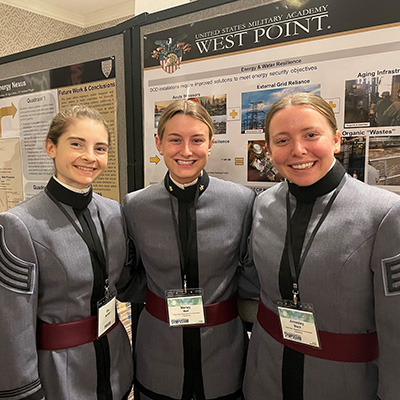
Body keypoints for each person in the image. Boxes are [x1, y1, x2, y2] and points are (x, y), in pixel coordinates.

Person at [243, 92, 400, 400]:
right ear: (270, 148)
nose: (298, 150)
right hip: (265, 375)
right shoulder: (263, 205)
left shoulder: (383, 214)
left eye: (311, 135)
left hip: (344, 383)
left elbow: (397, 328)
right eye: (282, 140)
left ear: (336, 140)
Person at [122, 99, 258, 400]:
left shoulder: (241, 202)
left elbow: (250, 273)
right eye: (174, 140)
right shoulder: (136, 205)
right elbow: (129, 276)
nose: (186, 151)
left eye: (197, 140)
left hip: (223, 349)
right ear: (158, 144)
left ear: (210, 143)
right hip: (158, 347)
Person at [0, 106, 133, 399]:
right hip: (62, 374)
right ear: (51, 147)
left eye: (100, 148)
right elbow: (12, 325)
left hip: (117, 363)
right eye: (76, 144)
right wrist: (23, 391)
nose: (90, 156)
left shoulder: (113, 212)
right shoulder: (20, 224)